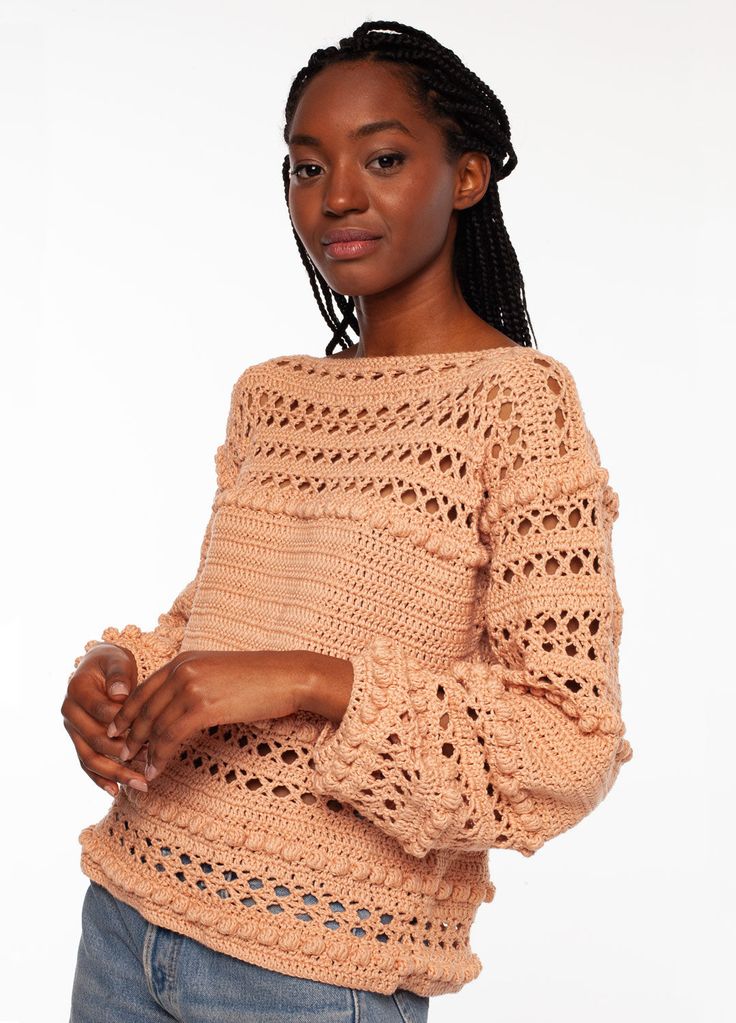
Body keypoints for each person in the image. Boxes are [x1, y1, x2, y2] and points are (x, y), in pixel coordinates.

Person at [62, 19, 633, 1023]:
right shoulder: (272, 396)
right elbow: (217, 629)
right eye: (305, 165)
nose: (334, 197)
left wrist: (302, 680)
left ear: (465, 177)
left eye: (382, 157)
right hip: (126, 915)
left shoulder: (517, 407)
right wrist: (124, 676)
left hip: (312, 973)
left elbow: (563, 746)